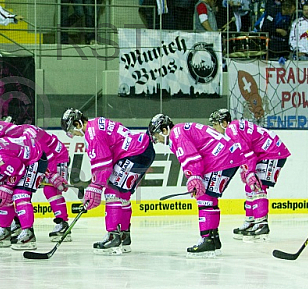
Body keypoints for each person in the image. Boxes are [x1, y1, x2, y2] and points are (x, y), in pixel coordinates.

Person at [149, 113, 248, 256]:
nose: (156, 140)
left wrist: (194, 177)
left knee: (204, 198)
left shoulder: (176, 133)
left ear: (164, 130)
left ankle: (207, 239)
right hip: (227, 156)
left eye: (156, 134)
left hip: (221, 158)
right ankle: (213, 238)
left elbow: (191, 157)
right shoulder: (179, 131)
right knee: (211, 199)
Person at [62, 108, 155, 254]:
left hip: (133, 154)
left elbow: (103, 164)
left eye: (72, 131)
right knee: (122, 195)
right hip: (144, 150)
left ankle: (113, 236)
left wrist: (96, 186)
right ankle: (124, 236)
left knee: (112, 193)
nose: (74, 135)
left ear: (77, 123)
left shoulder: (92, 133)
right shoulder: (98, 123)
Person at [209, 109, 290, 241]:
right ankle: (251, 221)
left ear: (224, 122)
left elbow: (248, 154)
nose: (213, 128)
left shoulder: (231, 130)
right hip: (266, 152)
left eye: (215, 124)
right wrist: (245, 170)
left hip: (272, 152)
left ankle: (262, 224)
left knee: (257, 185)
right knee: (249, 186)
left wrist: (250, 171)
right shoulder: (233, 128)